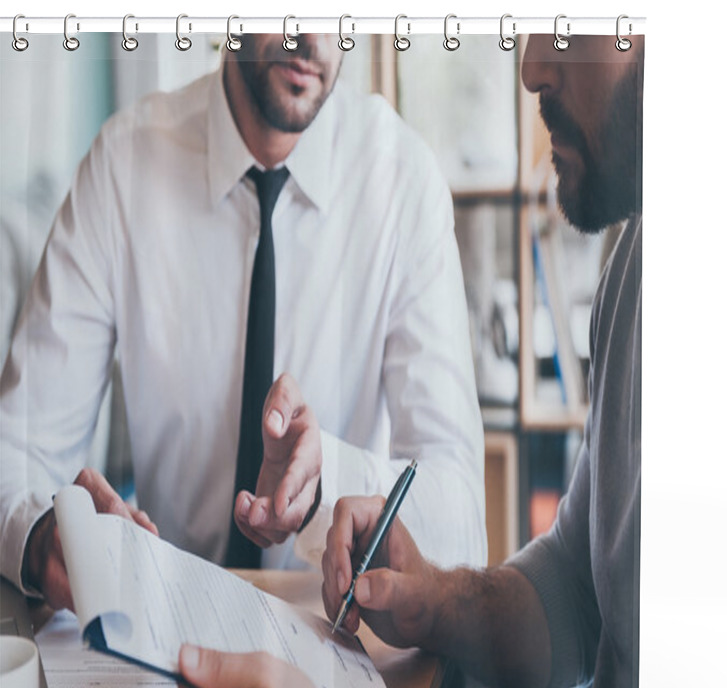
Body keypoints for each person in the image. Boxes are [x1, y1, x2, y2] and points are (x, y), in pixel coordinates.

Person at [175, 32, 643, 688]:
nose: (534, 68)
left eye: (568, 24)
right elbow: (581, 597)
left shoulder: (400, 176)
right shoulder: (634, 253)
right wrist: (437, 605)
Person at [0, 34, 486, 611]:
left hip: (341, 644)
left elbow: (462, 527)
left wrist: (328, 477)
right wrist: (41, 539)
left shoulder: (404, 182)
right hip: (162, 639)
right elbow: (18, 447)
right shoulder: (123, 167)